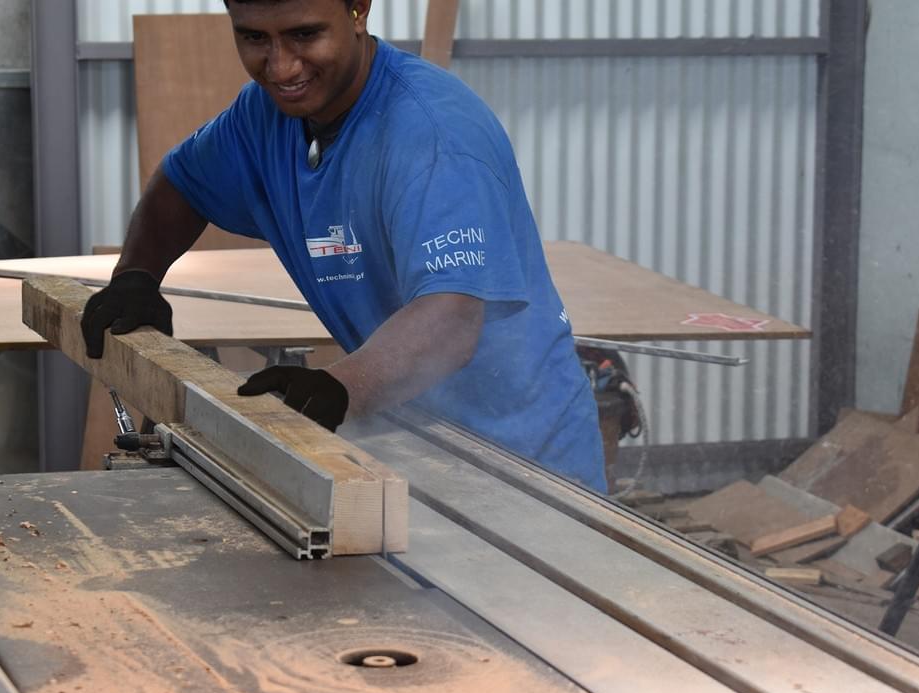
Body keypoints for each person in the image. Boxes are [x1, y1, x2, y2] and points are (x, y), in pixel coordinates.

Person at [81, 0, 607, 492]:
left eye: (304, 34)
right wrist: (137, 276)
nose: (281, 67)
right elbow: (182, 184)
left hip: (527, 467)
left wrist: (338, 388)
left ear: (359, 9)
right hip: (413, 444)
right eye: (254, 38)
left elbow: (451, 319)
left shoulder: (433, 135)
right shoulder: (263, 118)